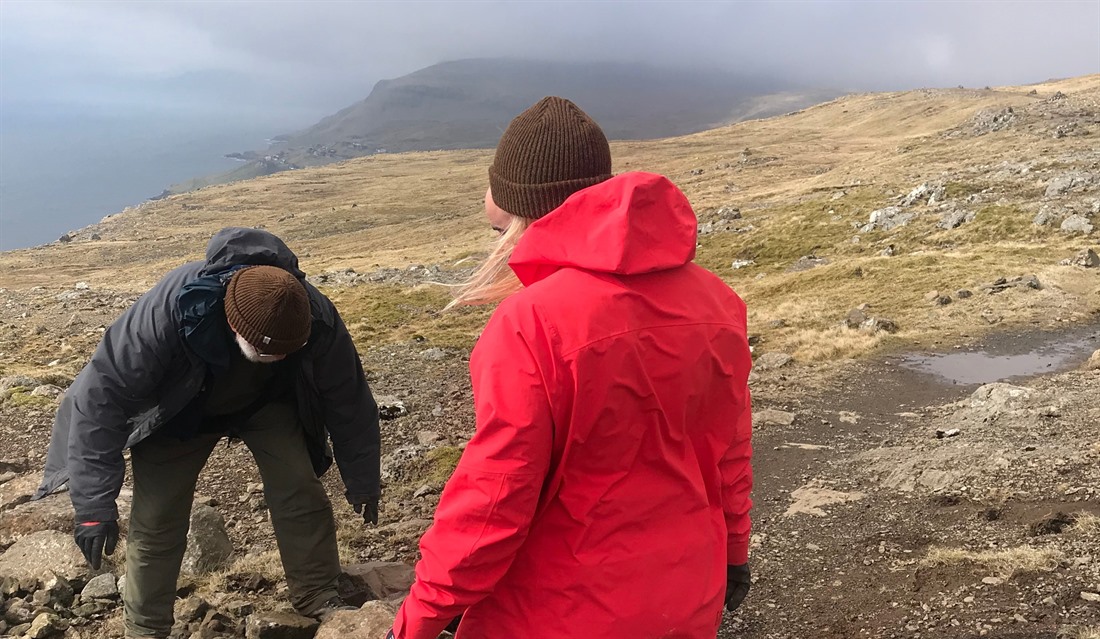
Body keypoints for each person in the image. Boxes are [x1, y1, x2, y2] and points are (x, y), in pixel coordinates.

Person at [388, 97, 753, 639]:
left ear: (523, 215)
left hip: (557, 613)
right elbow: (729, 454)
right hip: (686, 599)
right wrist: (733, 553)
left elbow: (494, 498)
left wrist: (417, 622)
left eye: (500, 226)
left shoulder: (530, 322)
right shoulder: (718, 303)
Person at [33, 227, 381, 638]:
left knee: (299, 488)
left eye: (284, 352)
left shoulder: (313, 313)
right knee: (158, 516)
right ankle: (145, 628)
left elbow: (349, 400)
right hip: (179, 409)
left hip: (267, 402)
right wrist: (93, 508)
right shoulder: (169, 312)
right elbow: (100, 400)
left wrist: (362, 480)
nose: (275, 357)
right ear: (232, 322)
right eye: (264, 351)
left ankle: (318, 595)